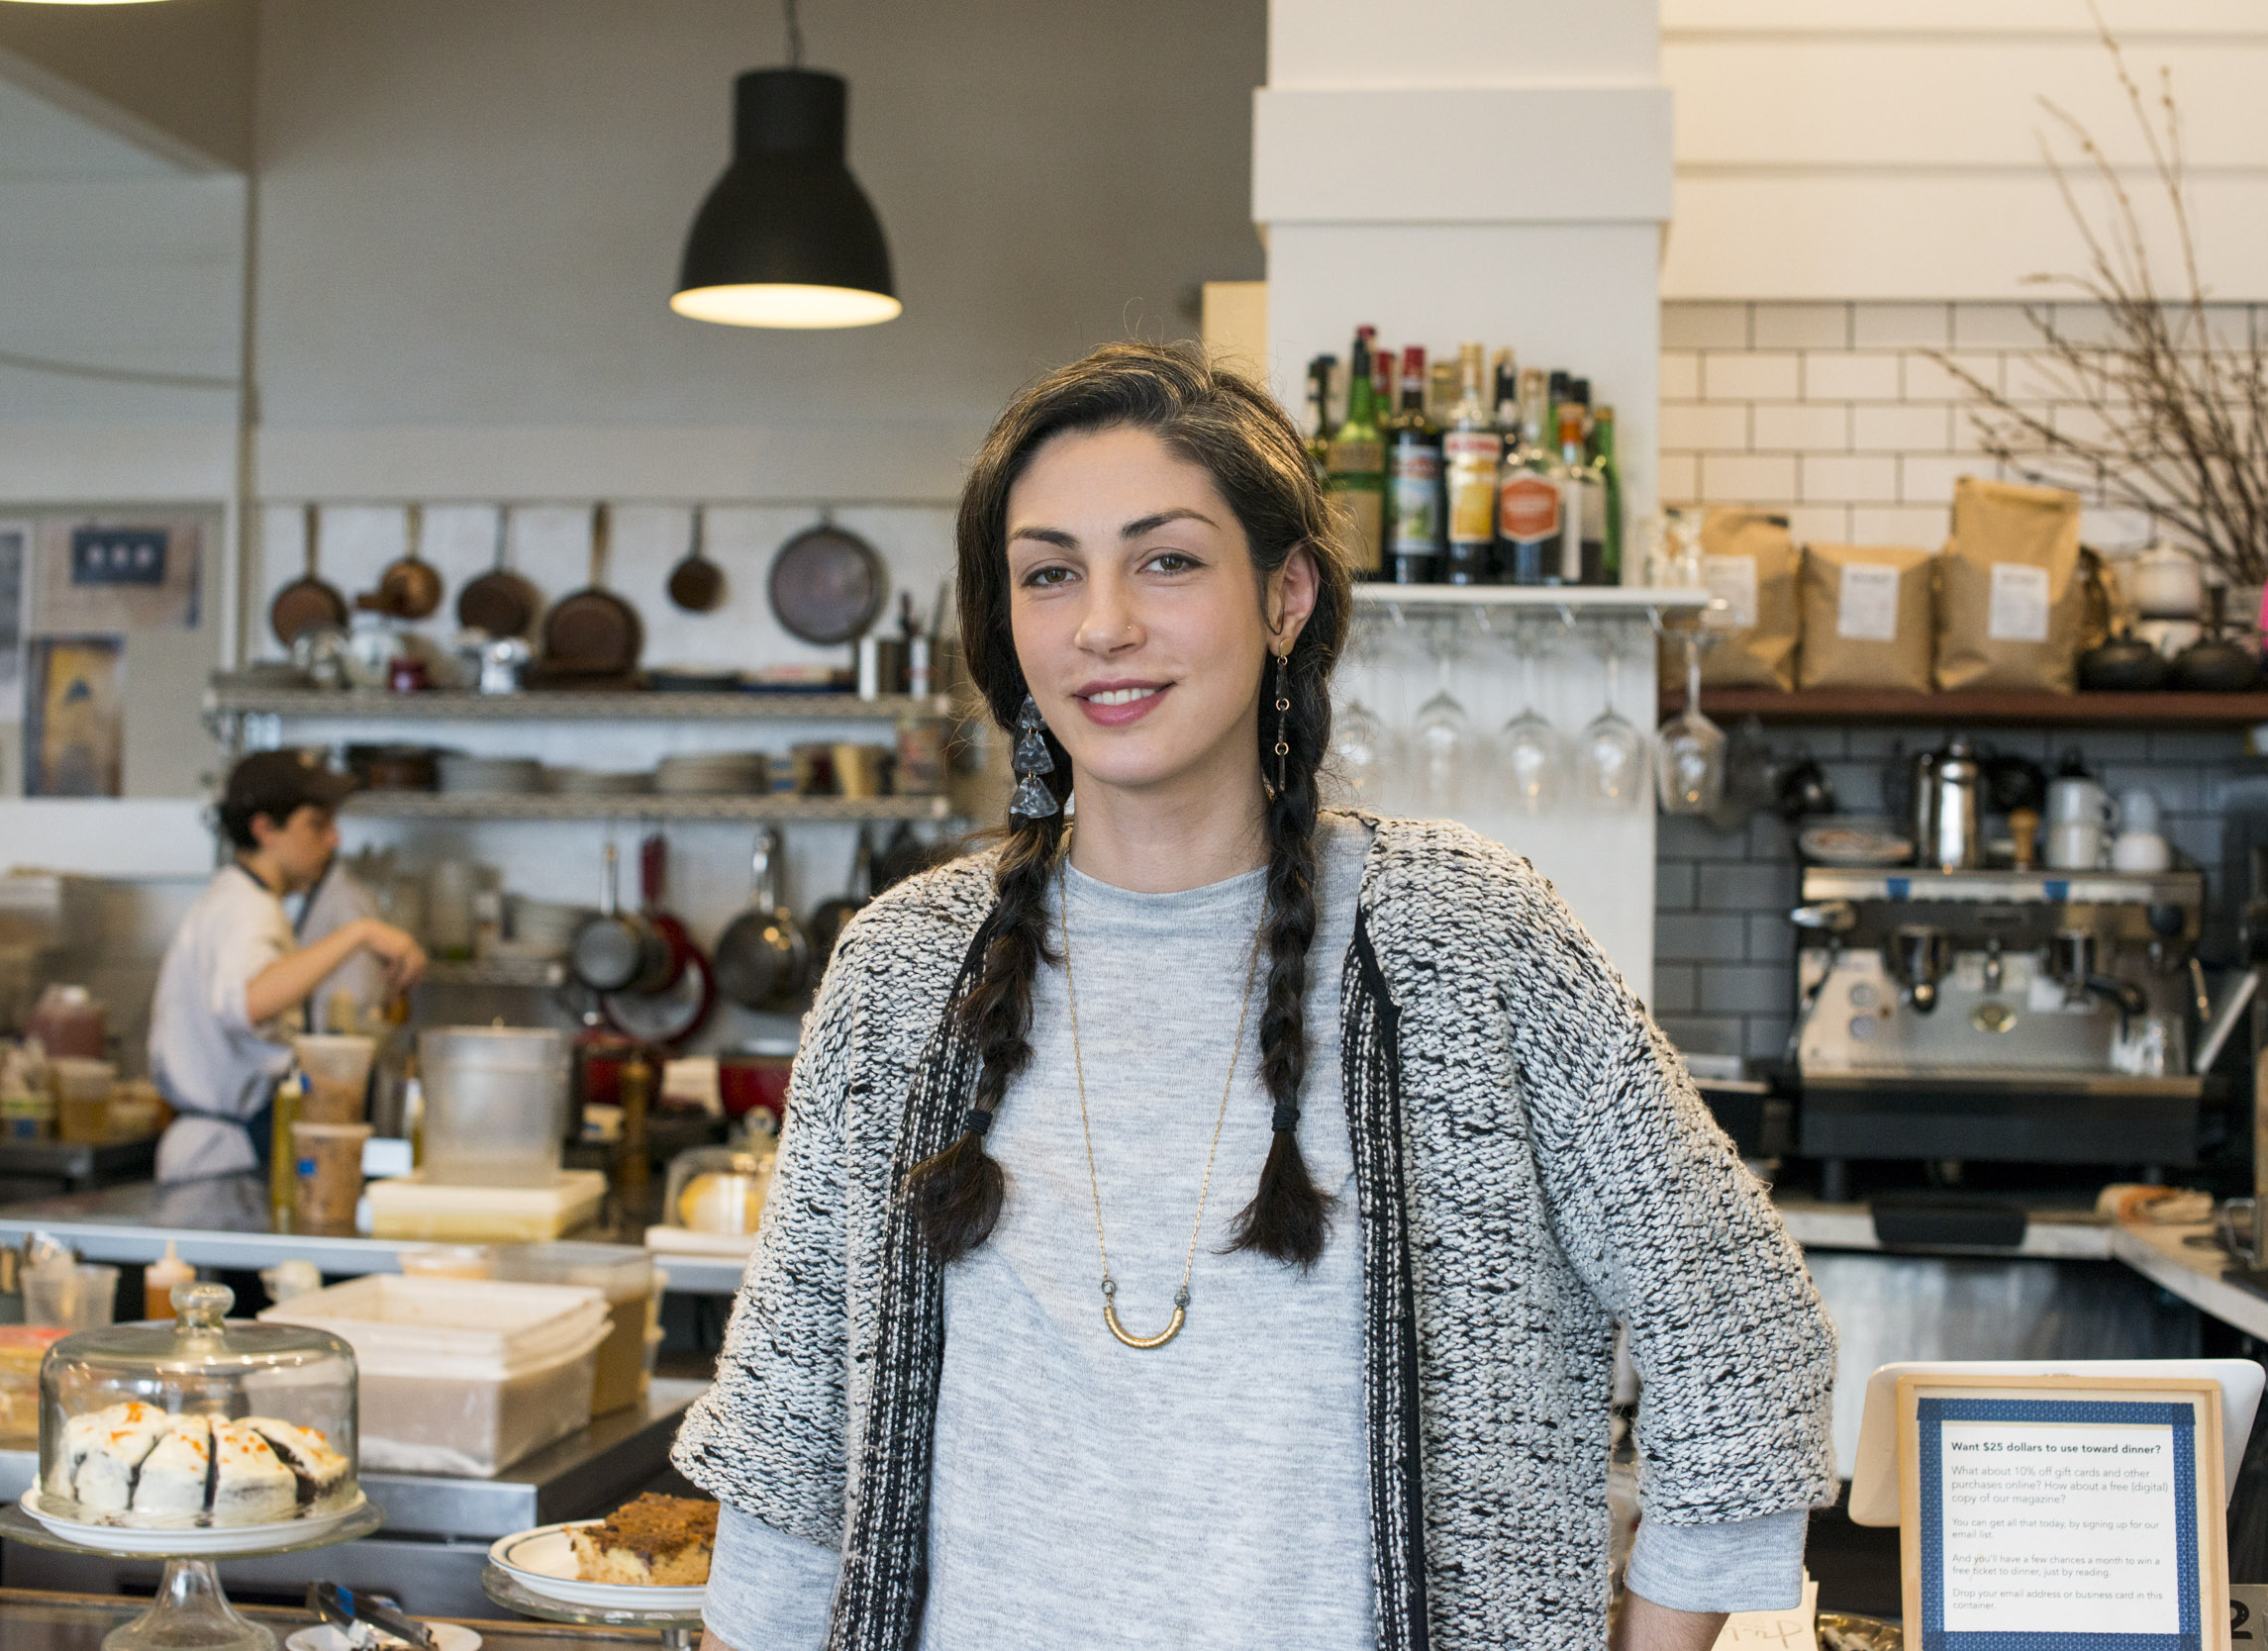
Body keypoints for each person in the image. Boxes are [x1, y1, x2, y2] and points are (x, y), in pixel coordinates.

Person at [674, 343, 1834, 1651]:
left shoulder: (1464, 938)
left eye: (1165, 560)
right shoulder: (903, 973)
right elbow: (789, 1451)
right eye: (1051, 572)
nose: (1104, 622)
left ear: (1286, 595)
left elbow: (1740, 1337)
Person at [147, 751, 424, 1182]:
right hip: (218, 1161)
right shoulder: (245, 907)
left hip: (224, 1149)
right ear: (265, 829)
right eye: (317, 825)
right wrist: (360, 933)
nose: (333, 840)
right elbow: (249, 1002)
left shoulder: (245, 900)